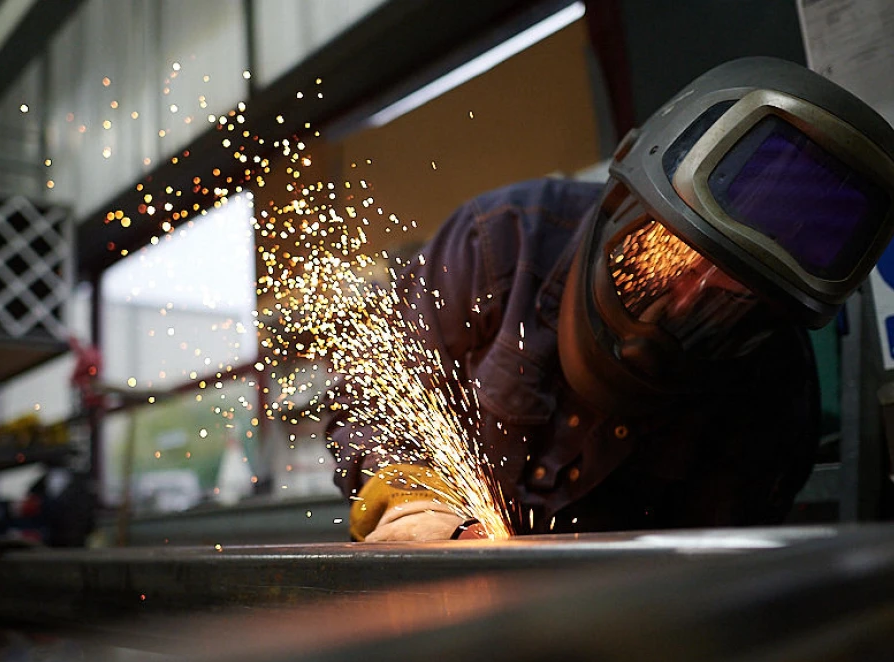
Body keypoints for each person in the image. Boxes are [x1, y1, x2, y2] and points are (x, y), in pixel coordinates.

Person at [326, 57, 894, 541]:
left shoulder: (770, 394)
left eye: (724, 301)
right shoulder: (501, 242)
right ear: (626, 199)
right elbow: (370, 392)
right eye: (672, 260)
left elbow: (708, 589)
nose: (682, 300)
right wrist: (410, 495)